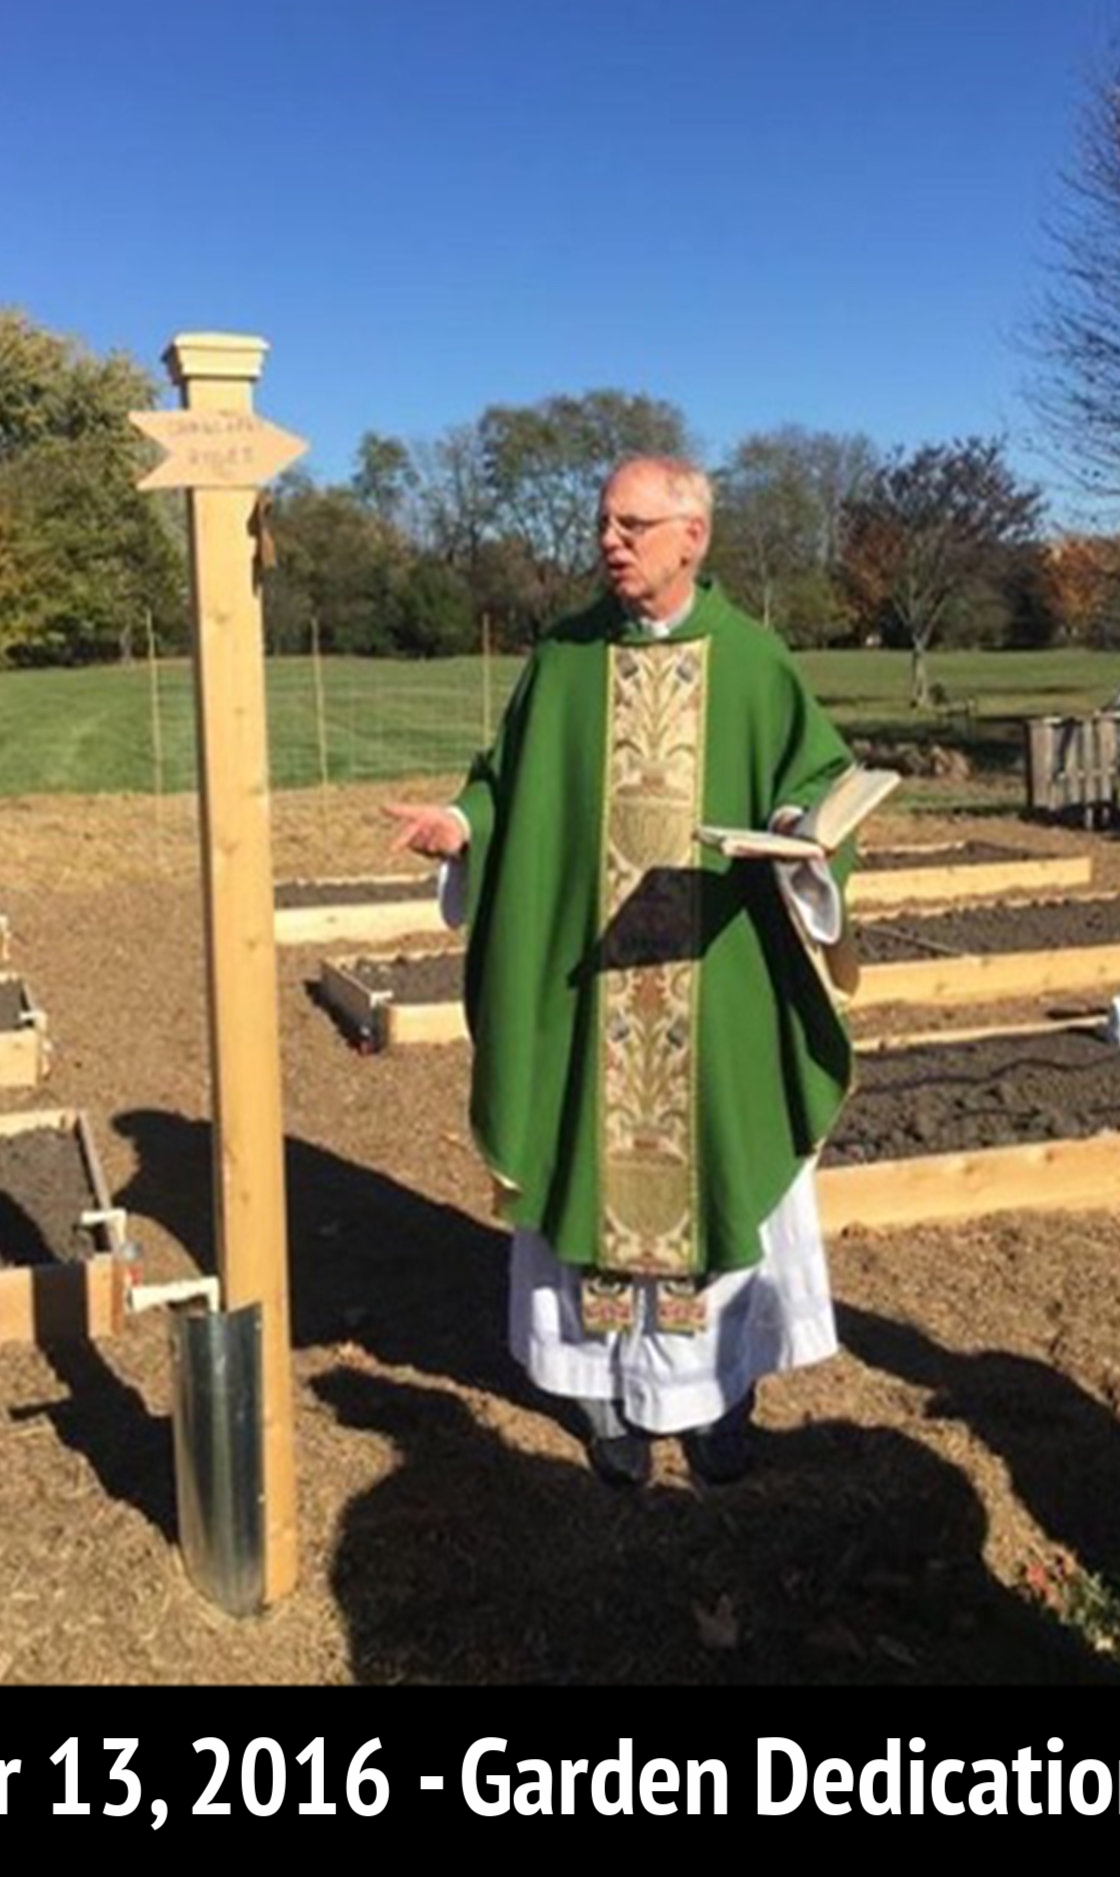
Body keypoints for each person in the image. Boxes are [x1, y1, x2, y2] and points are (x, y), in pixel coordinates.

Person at [384, 456, 860, 1489]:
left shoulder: (752, 659)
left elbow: (812, 781)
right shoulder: (562, 656)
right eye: (603, 520)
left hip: (713, 976)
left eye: (632, 523)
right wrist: (461, 823)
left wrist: (795, 831)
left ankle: (718, 1396)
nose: (609, 539)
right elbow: (506, 779)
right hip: (585, 985)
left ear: (693, 535)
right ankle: (601, 1395)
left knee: (720, 1174)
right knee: (583, 1174)